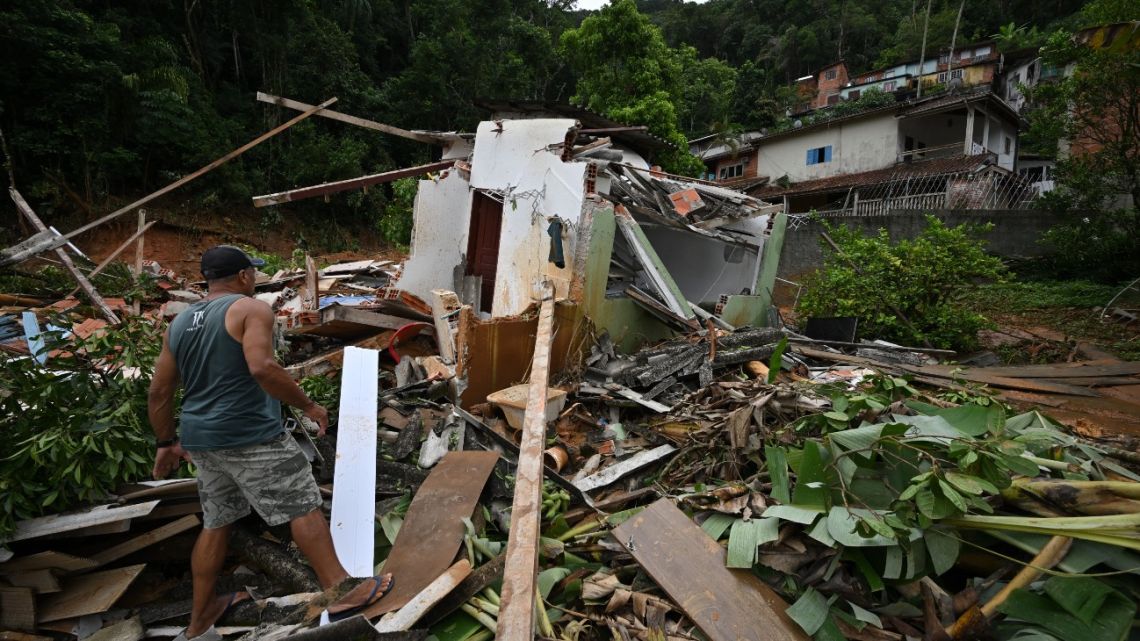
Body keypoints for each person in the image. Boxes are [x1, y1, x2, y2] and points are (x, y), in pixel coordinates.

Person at [149, 245, 392, 641]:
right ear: (244, 276)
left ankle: (200, 617)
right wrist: (309, 406)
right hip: (249, 434)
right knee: (303, 506)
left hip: (201, 439)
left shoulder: (179, 323)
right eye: (253, 274)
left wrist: (165, 442)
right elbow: (262, 366)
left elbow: (159, 391)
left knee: (217, 522)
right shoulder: (251, 309)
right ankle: (344, 591)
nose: (255, 280)